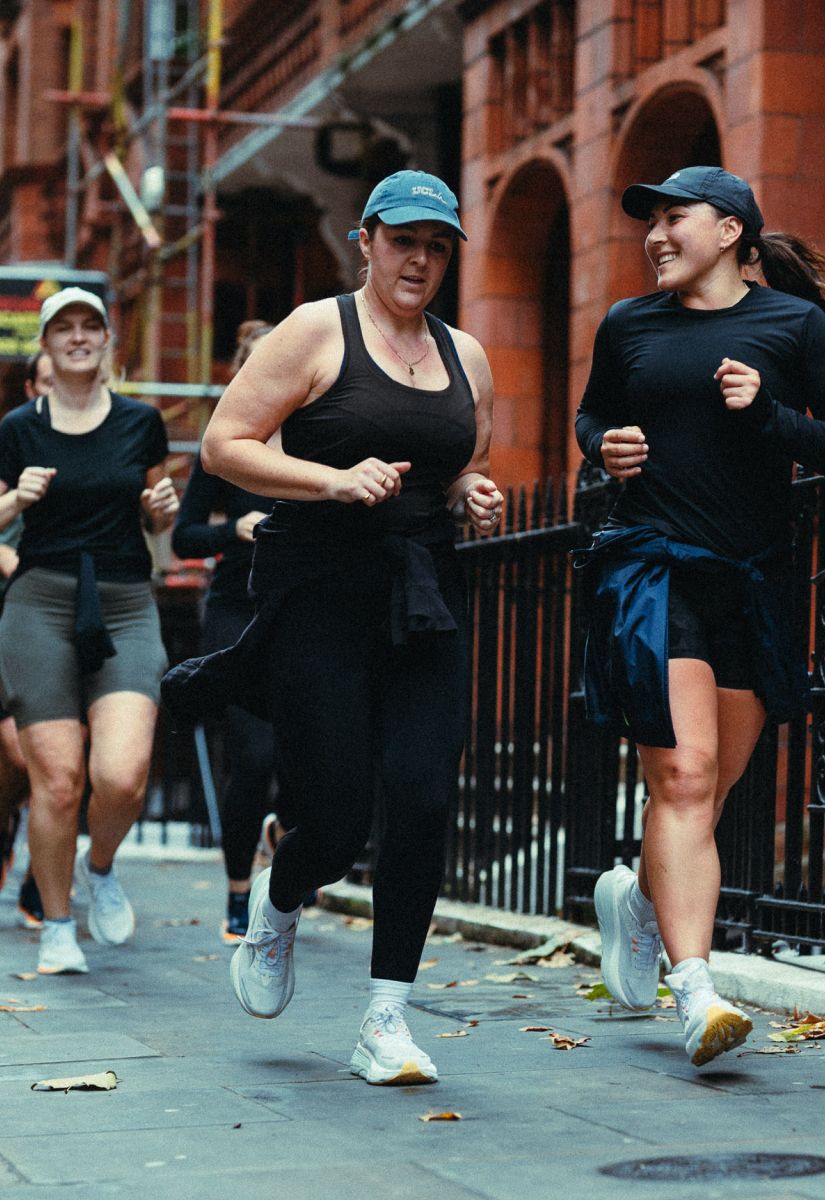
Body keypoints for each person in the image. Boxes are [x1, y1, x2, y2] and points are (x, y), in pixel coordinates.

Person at [164, 170, 502, 1085]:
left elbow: (461, 460)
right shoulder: (317, 329)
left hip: (424, 595)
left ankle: (385, 1018)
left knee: (425, 798)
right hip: (320, 593)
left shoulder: (465, 355)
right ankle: (279, 897)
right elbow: (225, 444)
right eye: (405, 241)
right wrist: (332, 479)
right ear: (366, 240)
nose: (420, 260)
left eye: (437, 246)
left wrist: (472, 493)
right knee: (339, 818)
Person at [576, 167, 825, 1069]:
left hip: (751, 580)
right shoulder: (630, 325)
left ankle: (639, 902)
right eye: (651, 223)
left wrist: (772, 415)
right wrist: (604, 446)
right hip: (652, 568)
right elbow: (594, 413)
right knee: (687, 778)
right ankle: (698, 990)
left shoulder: (791, 326)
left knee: (714, 784)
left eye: (675, 219)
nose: (656, 236)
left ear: (731, 230)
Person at [0, 287, 179, 974]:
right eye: (63, 328)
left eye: (90, 326)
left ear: (108, 342)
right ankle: (56, 924)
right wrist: (16, 497)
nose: (77, 336)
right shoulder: (18, 427)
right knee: (59, 780)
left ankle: (98, 866)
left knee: (123, 775)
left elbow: (157, 516)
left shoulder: (142, 422)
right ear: (44, 346)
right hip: (40, 602)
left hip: (126, 599)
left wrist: (161, 508)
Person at [171, 321, 295, 943]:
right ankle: (239, 890)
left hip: (301, 602)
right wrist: (234, 528)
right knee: (251, 755)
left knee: (304, 749)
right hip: (235, 603)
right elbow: (183, 536)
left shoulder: (311, 433)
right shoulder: (222, 444)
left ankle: (288, 842)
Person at [0, 351, 54, 928]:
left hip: (65, 612)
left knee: (55, 750)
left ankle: (43, 880)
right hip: (9, 606)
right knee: (19, 753)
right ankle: (8, 823)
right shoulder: (12, 439)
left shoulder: (101, 438)